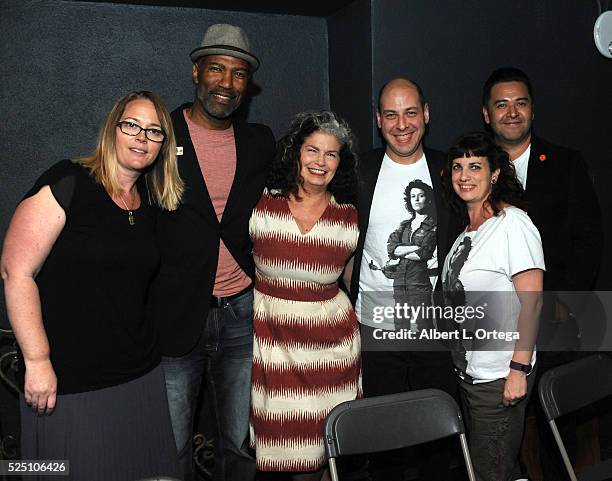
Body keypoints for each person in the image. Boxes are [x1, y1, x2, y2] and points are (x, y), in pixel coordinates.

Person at [0, 90, 183, 481]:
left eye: (154, 131)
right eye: (131, 125)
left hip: (141, 375)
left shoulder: (149, 200)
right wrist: (37, 361)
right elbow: (15, 272)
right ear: (112, 129)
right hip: (70, 381)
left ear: (163, 145)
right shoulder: (69, 181)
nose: (141, 137)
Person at [146, 24, 275, 481]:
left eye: (238, 74)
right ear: (197, 72)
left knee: (240, 443)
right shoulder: (159, 135)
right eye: (217, 69)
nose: (227, 83)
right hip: (178, 313)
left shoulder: (260, 142)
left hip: (242, 311)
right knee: (172, 443)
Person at [482, 67, 603, 479]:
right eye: (502, 104)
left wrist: (560, 304)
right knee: (515, 436)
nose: (512, 112)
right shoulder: (474, 171)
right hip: (500, 332)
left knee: (568, 432)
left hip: (557, 323)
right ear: (487, 114)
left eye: (521, 103)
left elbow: (589, 243)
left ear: (533, 110)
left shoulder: (567, 163)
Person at [349, 78, 457, 481]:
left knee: (437, 438)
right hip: (376, 328)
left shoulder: (450, 170)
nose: (402, 124)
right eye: (391, 114)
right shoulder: (359, 170)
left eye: (410, 112)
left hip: (433, 330)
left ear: (426, 115)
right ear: (378, 120)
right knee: (385, 442)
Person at [249, 111, 360, 481]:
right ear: (296, 152)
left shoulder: (348, 216)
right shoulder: (262, 199)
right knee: (277, 449)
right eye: (313, 150)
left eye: (331, 154)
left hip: (330, 351)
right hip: (272, 346)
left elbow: (352, 278)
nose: (320, 162)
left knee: (321, 455)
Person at [442, 131, 544, 481]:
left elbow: (532, 303)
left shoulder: (512, 224)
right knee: (500, 469)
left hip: (499, 378)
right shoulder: (466, 234)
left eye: (475, 166)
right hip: (471, 375)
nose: (464, 175)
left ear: (495, 174)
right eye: (458, 167)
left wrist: (518, 369)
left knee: (491, 473)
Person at [368, 179, 437, 330]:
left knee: (424, 326)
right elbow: (392, 249)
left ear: (428, 199)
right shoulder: (404, 225)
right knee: (400, 326)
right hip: (399, 283)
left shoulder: (434, 225)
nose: (417, 200)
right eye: (413, 196)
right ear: (409, 200)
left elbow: (422, 254)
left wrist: (401, 251)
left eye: (421, 195)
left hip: (419, 283)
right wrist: (413, 247)